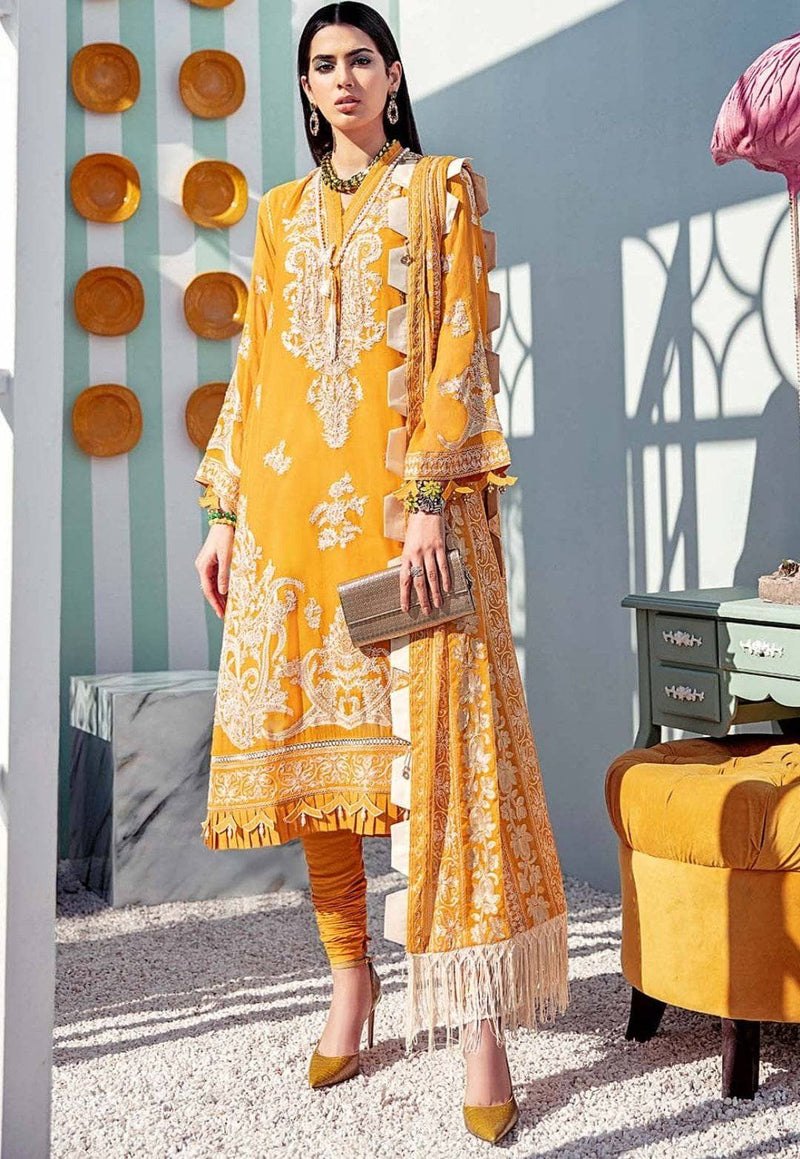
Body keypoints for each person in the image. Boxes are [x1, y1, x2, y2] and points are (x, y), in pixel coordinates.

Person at [194, 2, 569, 1145]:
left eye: (361, 58)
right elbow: (255, 366)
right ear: (306, 89)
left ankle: (476, 1022)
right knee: (322, 762)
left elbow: (461, 350)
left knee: (447, 762)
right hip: (290, 523)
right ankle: (349, 981)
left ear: (393, 75)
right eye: (322, 64)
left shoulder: (439, 189)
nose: (343, 77)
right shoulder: (276, 214)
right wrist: (223, 512)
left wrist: (428, 503)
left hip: (412, 517)